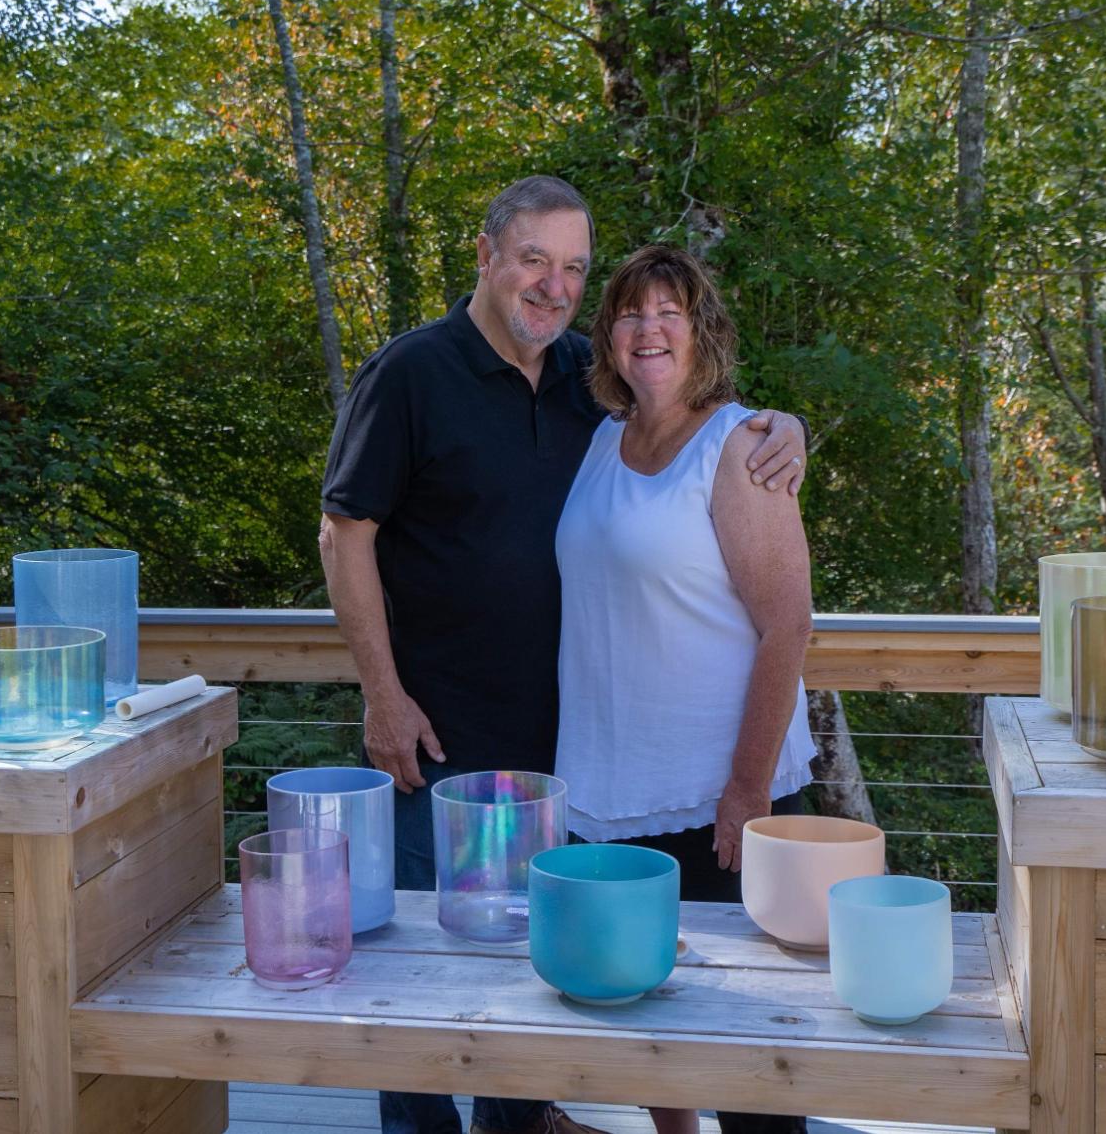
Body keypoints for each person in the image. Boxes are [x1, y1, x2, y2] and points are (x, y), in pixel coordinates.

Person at [318, 177, 808, 1134]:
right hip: (442, 740)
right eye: (535, 259)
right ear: (488, 254)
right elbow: (346, 533)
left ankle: (524, 1127)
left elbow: (697, 419)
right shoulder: (412, 374)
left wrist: (782, 430)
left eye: (575, 268)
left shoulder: (593, 381)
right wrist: (383, 696)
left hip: (571, 757)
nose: (552, 284)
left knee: (532, 979)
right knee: (427, 977)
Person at [553, 244, 816, 1134]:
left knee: (749, 1046)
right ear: (609, 339)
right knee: (647, 1013)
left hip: (724, 794)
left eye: (669, 312)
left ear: (701, 331)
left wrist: (746, 789)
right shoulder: (599, 440)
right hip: (614, 785)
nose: (648, 329)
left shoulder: (740, 444)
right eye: (629, 314)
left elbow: (790, 625)